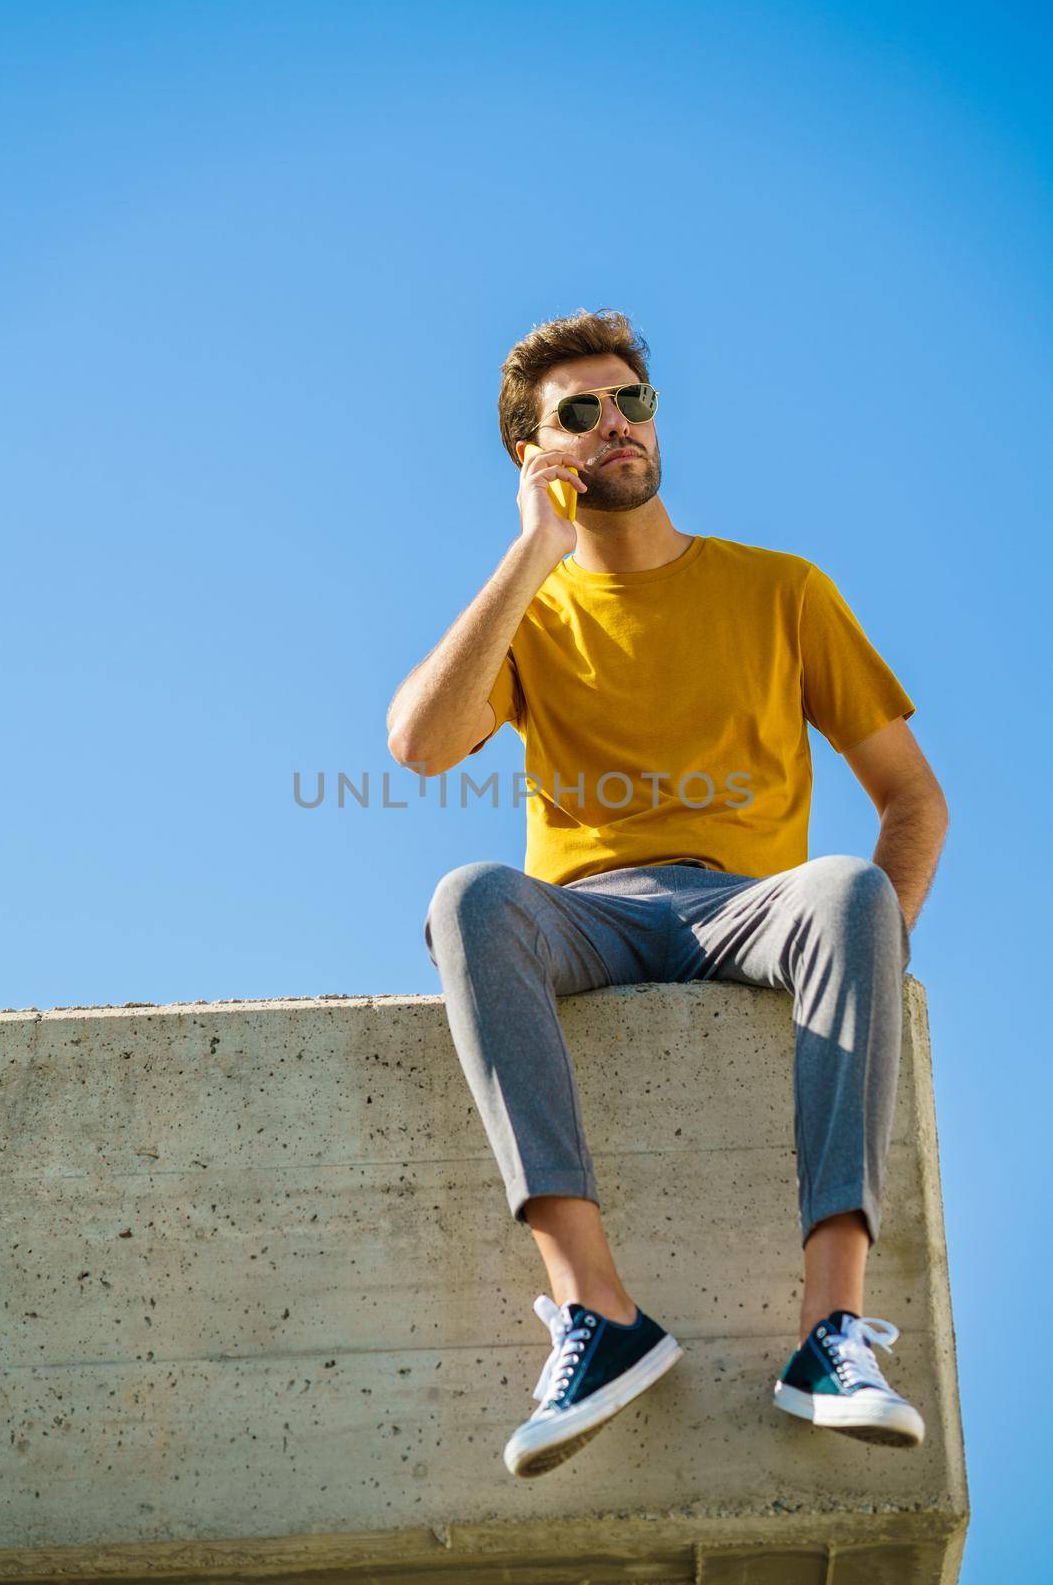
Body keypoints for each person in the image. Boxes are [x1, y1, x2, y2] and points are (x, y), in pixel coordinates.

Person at [386, 307, 949, 1480]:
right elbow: (418, 744)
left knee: (851, 884)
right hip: (584, 911)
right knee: (468, 894)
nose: (615, 426)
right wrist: (530, 554)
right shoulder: (531, 613)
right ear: (534, 454)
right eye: (577, 414)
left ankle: (828, 1329)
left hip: (749, 903)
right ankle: (597, 1316)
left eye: (630, 400)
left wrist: (860, 951)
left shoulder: (781, 589)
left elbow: (912, 800)